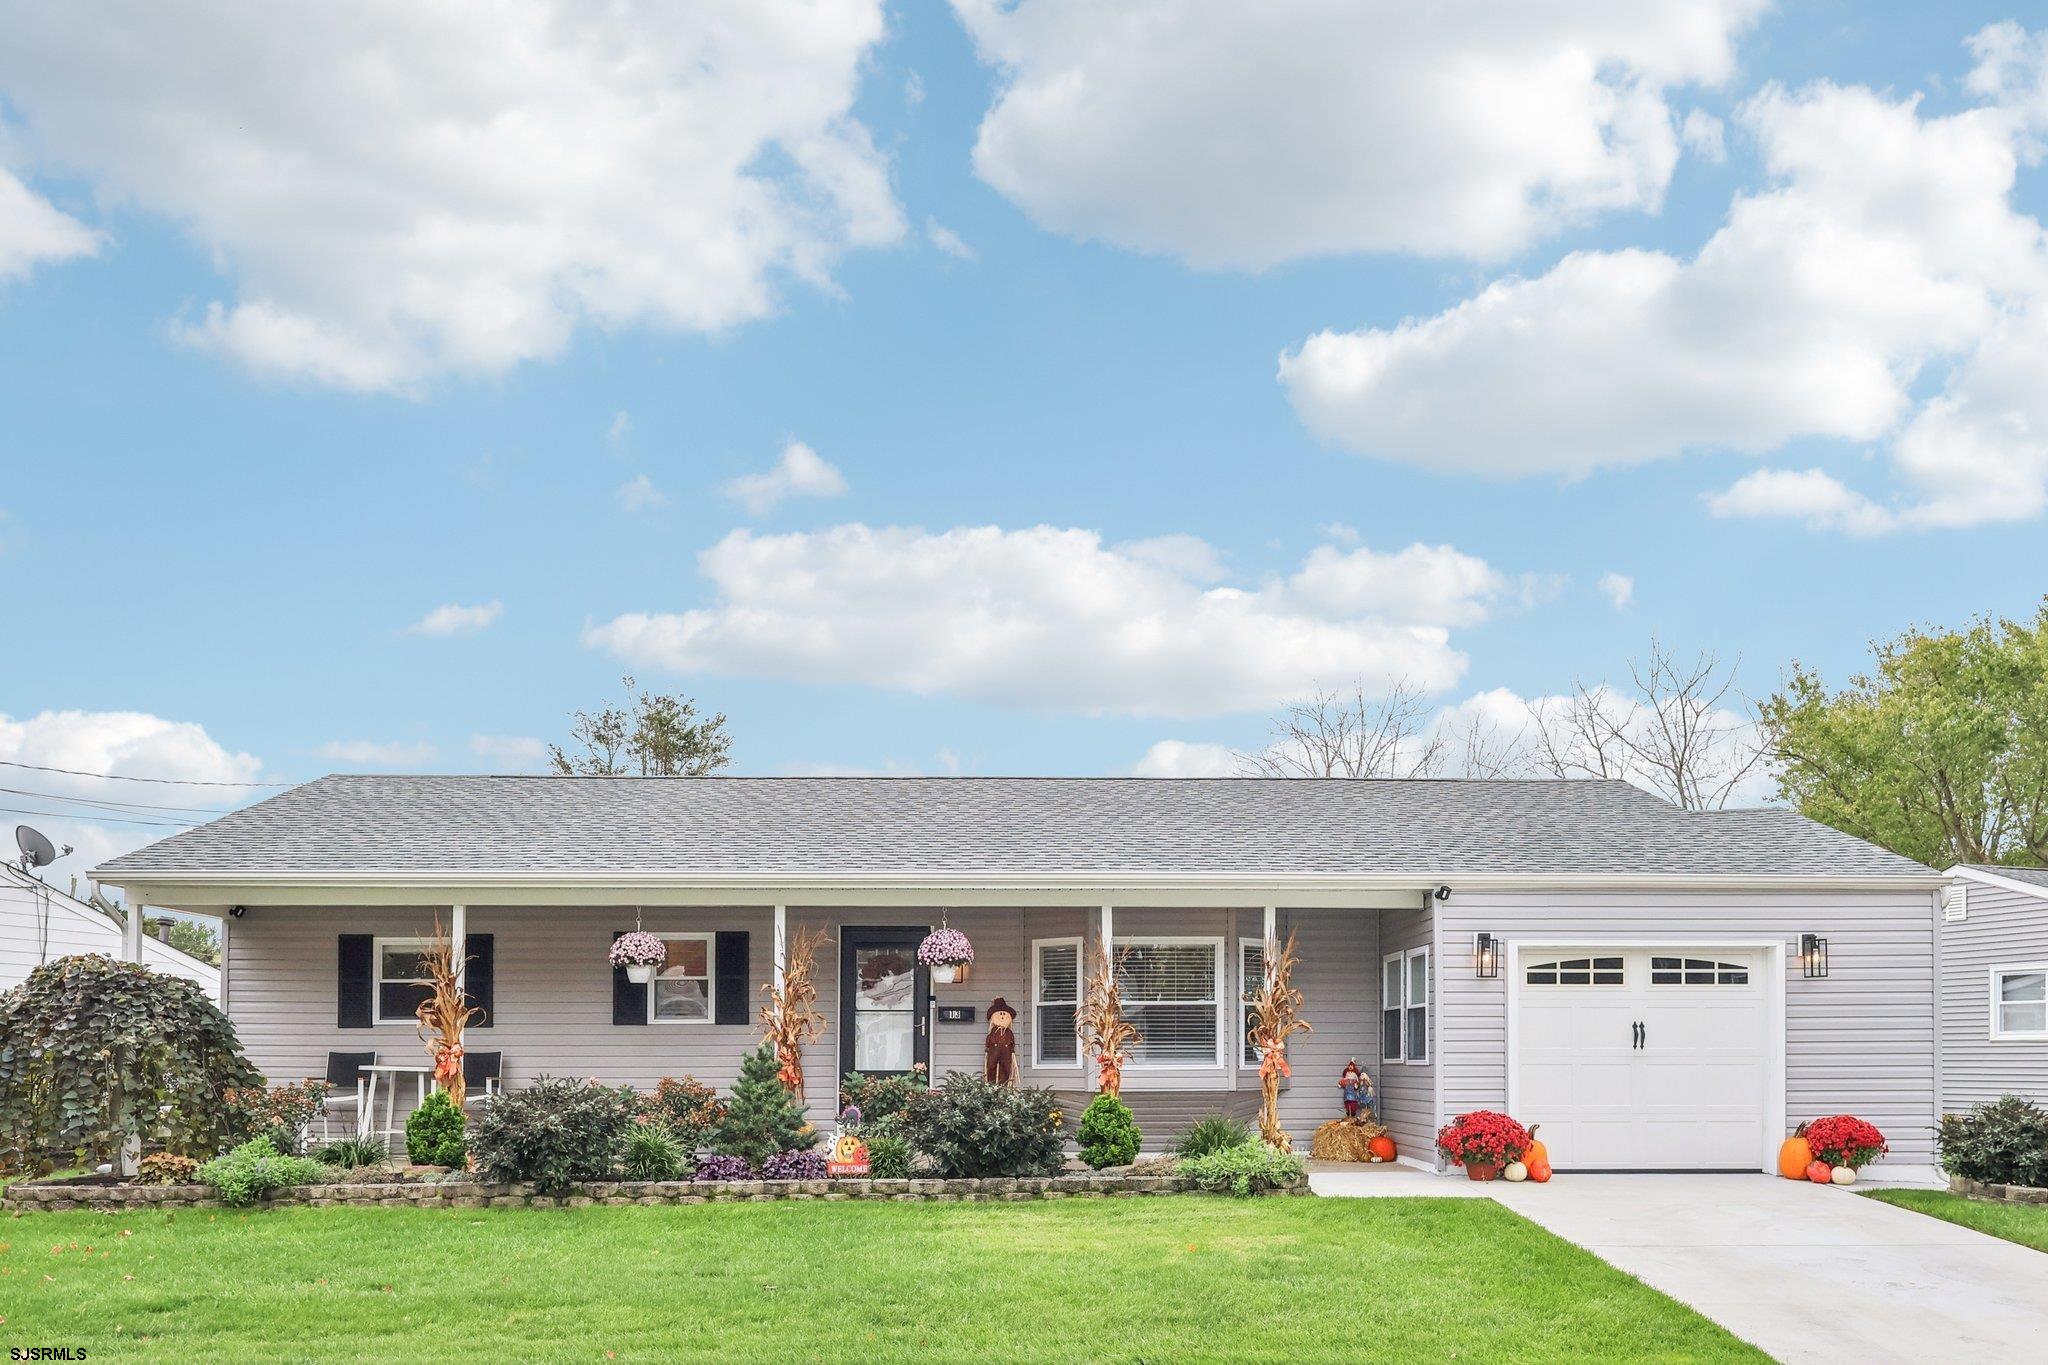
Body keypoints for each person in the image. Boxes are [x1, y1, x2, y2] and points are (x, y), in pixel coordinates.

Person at [984, 997, 1019, 1085]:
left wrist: (1012, 1050)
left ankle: (1004, 1085)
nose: (1002, 1016)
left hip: (1006, 1051)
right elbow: (989, 1039)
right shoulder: (993, 1031)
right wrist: (988, 1048)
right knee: (991, 1066)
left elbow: (1012, 1041)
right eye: (1000, 1014)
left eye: (1004, 1014)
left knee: (1006, 1067)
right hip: (994, 1050)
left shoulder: (1008, 1032)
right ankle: (991, 1084)